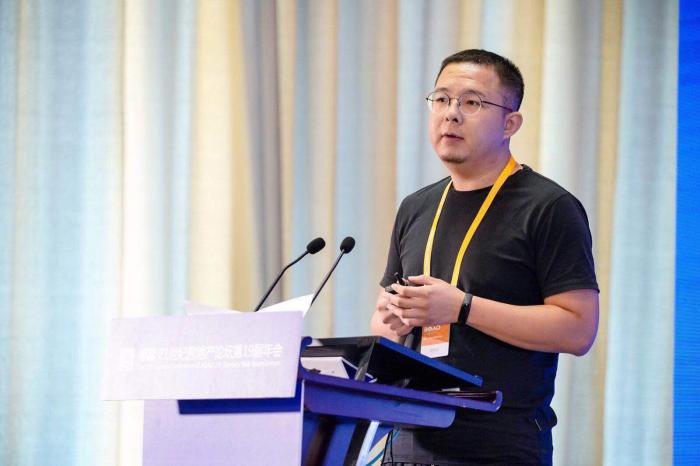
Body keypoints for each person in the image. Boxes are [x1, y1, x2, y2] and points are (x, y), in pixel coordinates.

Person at [371, 49, 599, 466]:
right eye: (441, 99)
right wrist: (394, 317)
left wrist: (462, 308)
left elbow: (578, 329)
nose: (451, 114)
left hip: (498, 442)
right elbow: (383, 324)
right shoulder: (416, 207)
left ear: (510, 123)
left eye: (472, 102)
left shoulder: (548, 207)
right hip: (408, 437)